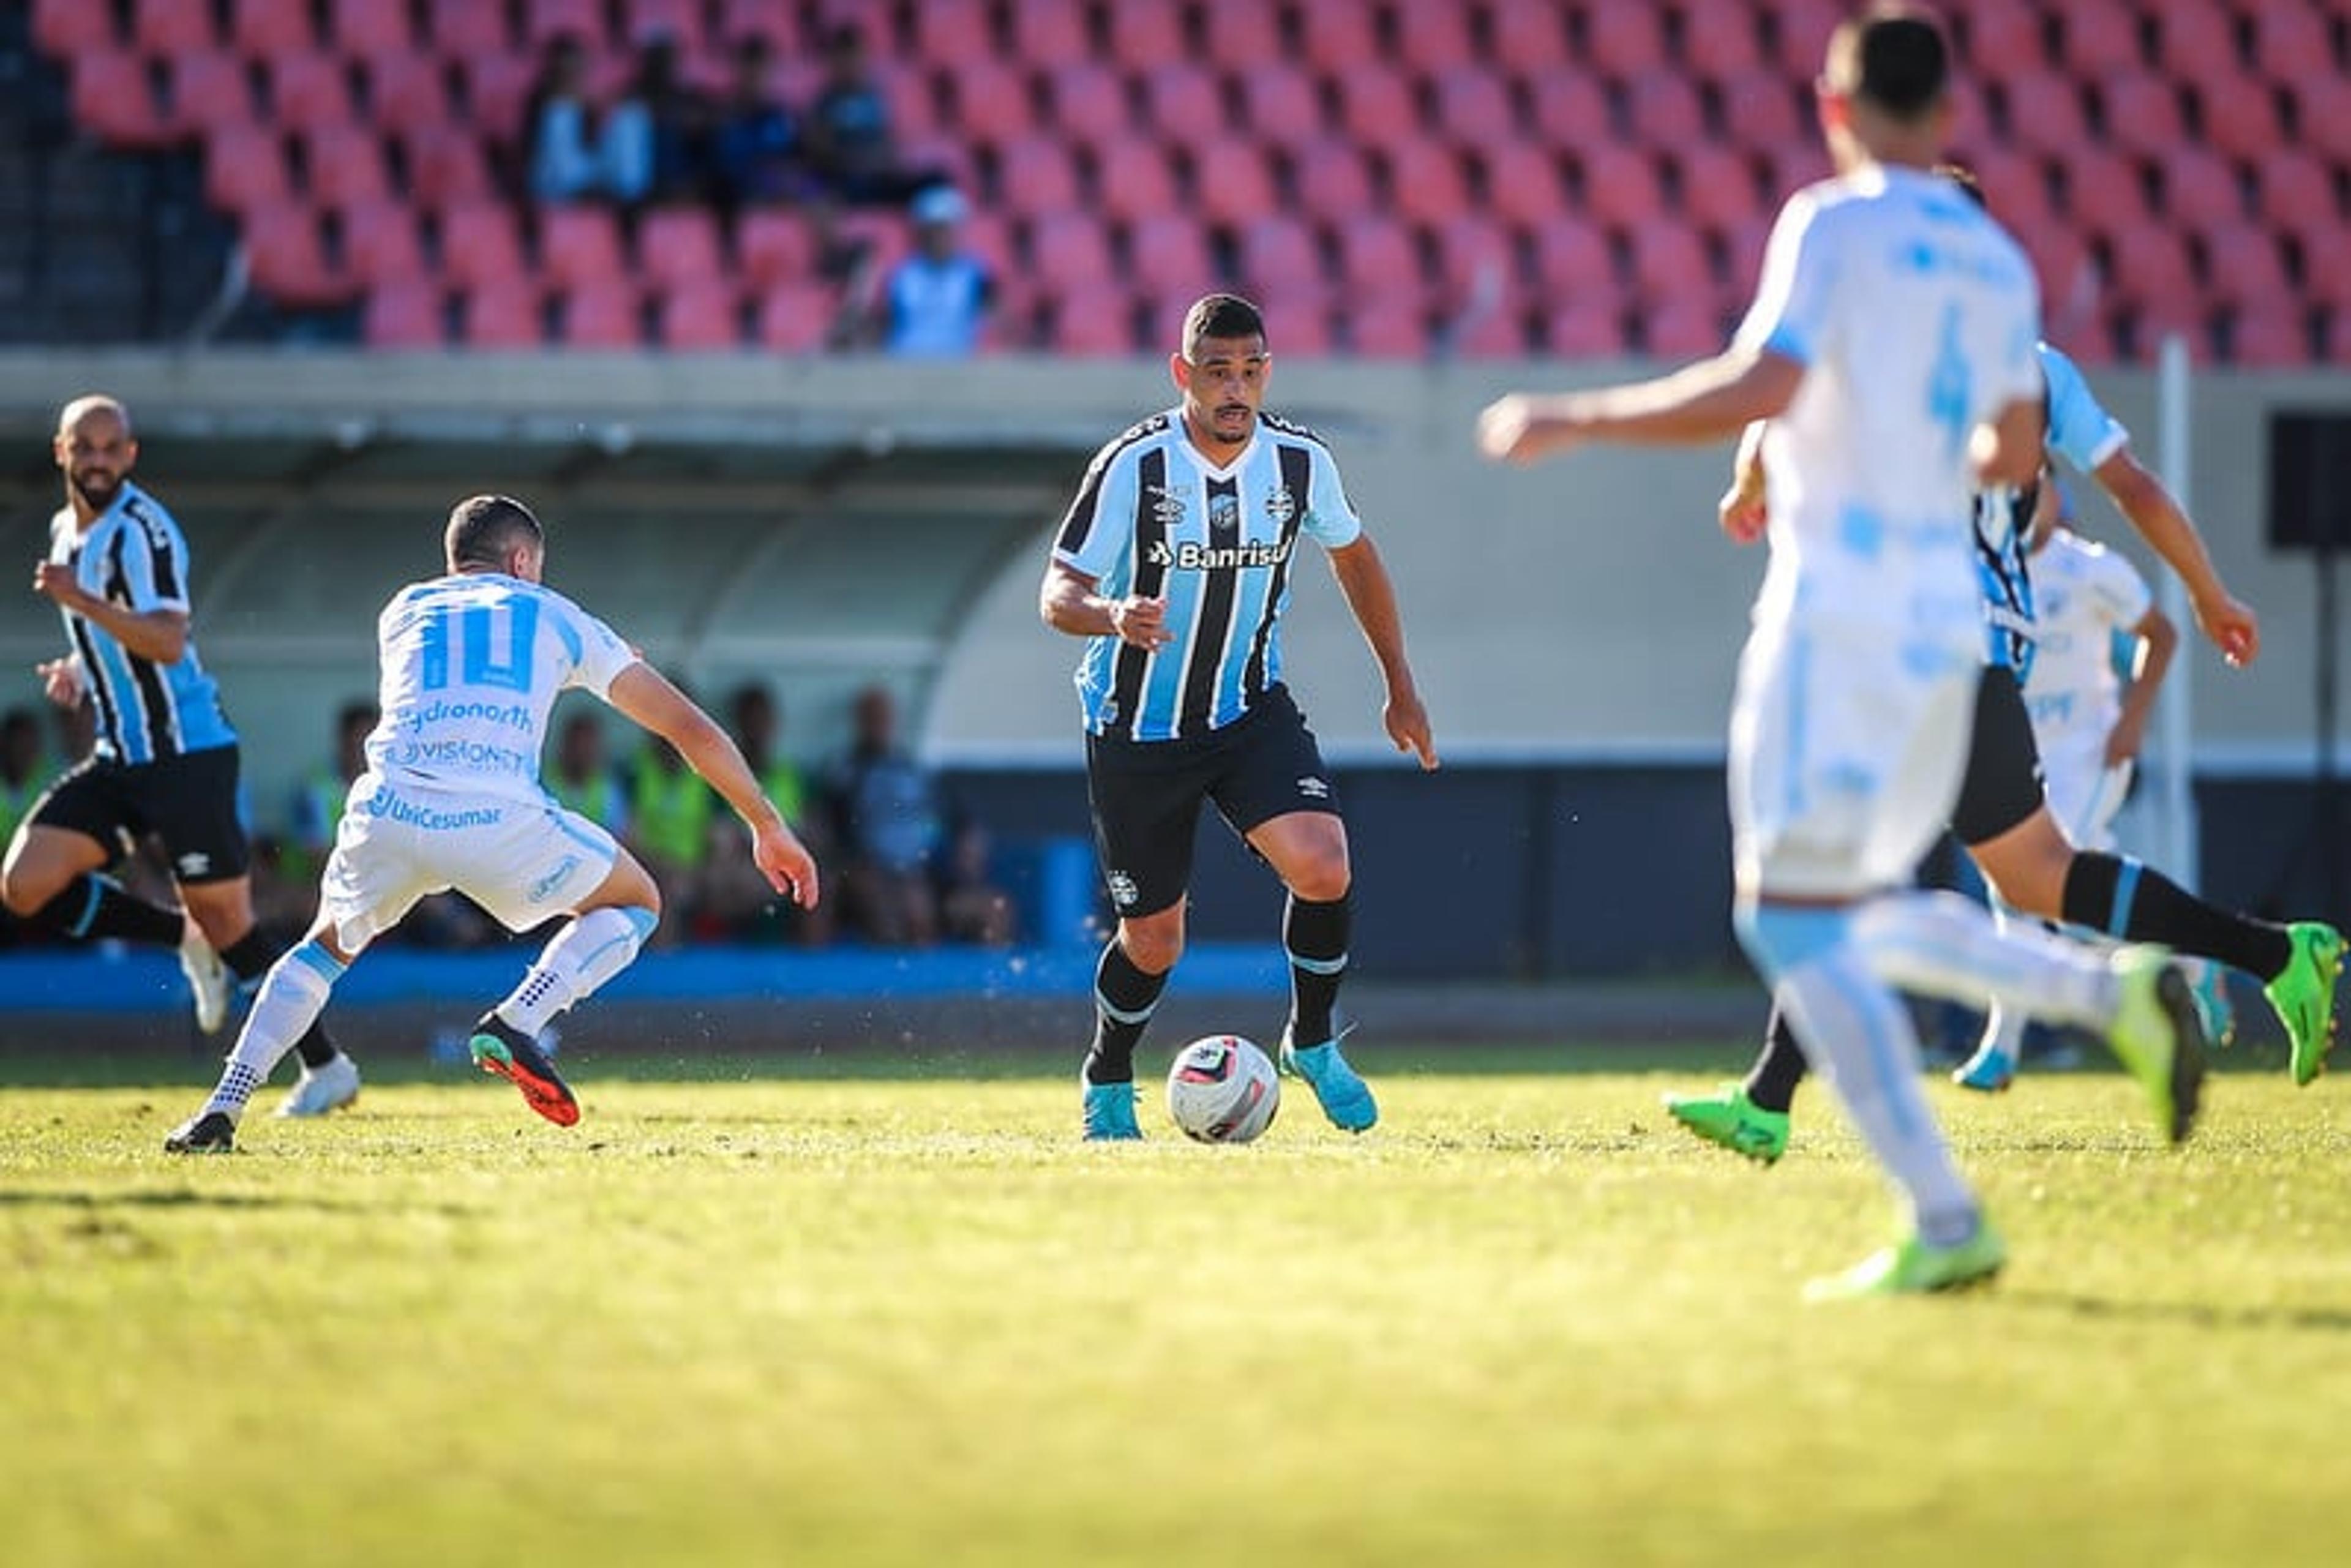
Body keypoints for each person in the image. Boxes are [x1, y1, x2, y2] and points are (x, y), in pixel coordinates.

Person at [1476, 7, 2207, 1297]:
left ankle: (2022, 1108)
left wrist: (1574, 416)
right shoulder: (1993, 263)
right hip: (1950, 618)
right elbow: (2015, 452)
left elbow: (1764, 382)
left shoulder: (1832, 221)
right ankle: (2042, 1080)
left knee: (1788, 912)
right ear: (1947, 113)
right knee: (1837, 911)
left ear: (1836, 102)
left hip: (1839, 609)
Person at [1665, 187, 2341, 1161]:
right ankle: (2280, 954)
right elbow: (2134, 485)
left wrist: (1747, 485)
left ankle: (1791, 1100)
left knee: (1832, 874)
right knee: (2033, 877)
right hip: (1986, 651)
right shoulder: (2029, 365)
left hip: (1918, 643)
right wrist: (2209, 591)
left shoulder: (1881, 335)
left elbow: (1771, 396)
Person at [163, 494, 819, 1153]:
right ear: (523, 560)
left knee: (319, 951)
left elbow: (467, 678)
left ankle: (222, 1107)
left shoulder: (404, 609)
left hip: (389, 812)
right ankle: (520, 1018)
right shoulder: (557, 615)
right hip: (494, 818)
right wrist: (767, 823)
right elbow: (689, 727)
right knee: (638, 899)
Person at [1043, 291, 1438, 1141]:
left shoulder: (1300, 464)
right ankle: (1108, 1076)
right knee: (1154, 941)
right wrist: (1113, 614)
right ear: (1183, 374)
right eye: (1217, 372)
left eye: (1250, 370)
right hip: (1139, 727)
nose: (1235, 389)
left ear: (1267, 372)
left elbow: (1355, 555)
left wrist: (1399, 681)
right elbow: (1059, 592)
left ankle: (1315, 1041)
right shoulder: (1134, 467)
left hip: (1246, 707)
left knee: (1325, 864)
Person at [4, 395, 361, 1116]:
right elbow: (117, 639)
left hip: (189, 754)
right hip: (121, 754)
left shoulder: (145, 529)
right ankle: (179, 934)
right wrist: (82, 669)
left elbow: (167, 639)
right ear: (61, 452)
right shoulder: (65, 529)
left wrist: (83, 604)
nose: (99, 458)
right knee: (24, 883)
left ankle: (328, 1067)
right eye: (86, 446)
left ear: (131, 454)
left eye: (112, 446)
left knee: (234, 922)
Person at [822, 683, 945, 946]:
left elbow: (935, 821)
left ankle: (924, 980)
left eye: (884, 717)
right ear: (860, 721)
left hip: (912, 868)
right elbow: (834, 825)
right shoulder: (847, 769)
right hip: (864, 867)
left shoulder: (911, 769)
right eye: (872, 717)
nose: (879, 724)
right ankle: (888, 972)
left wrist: (923, 857)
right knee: (878, 899)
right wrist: (856, 861)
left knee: (918, 906)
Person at [801, 23, 947, 208]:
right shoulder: (822, 105)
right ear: (833, 61)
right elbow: (821, 153)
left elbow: (890, 145)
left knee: (937, 180)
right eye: (845, 58)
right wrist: (858, 159)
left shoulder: (877, 100)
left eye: (857, 56)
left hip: (881, 179)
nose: (852, 65)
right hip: (848, 185)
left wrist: (882, 161)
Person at [878, 186, 994, 358]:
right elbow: (885, 321)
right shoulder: (902, 275)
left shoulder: (976, 275)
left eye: (946, 229)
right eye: (934, 230)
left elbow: (994, 319)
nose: (939, 237)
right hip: (905, 361)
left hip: (959, 363)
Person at [712, 32, 803, 211]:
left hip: (780, 183)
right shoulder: (724, 114)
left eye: (762, 68)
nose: (756, 76)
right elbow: (727, 165)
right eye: (750, 68)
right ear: (738, 70)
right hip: (742, 190)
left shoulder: (782, 114)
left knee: (821, 197)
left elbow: (793, 155)